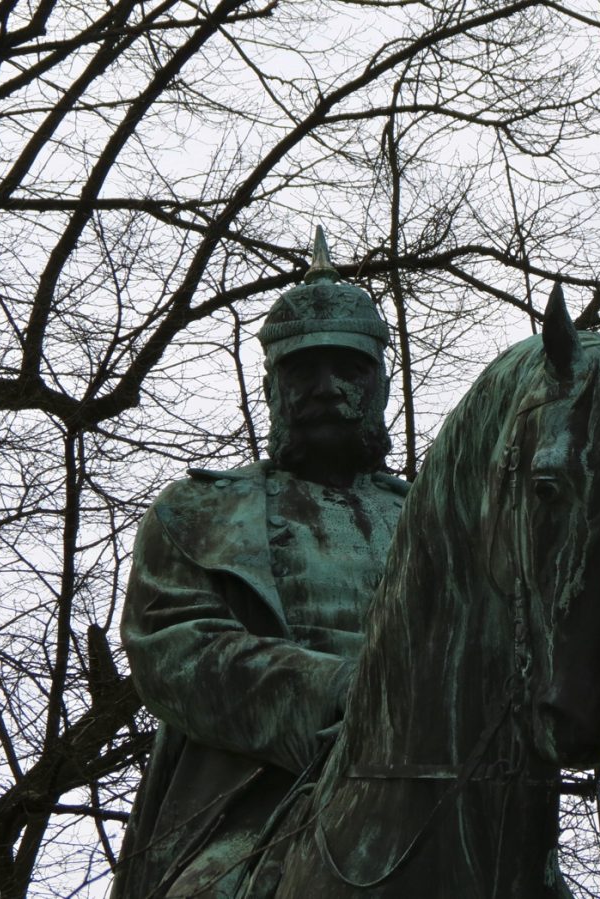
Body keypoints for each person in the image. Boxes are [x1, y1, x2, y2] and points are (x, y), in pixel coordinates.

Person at [111, 229, 407, 899]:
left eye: (347, 369)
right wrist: (338, 691)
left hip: (435, 776)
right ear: (272, 385)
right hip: (254, 801)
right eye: (303, 371)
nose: (325, 387)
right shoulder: (197, 514)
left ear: (380, 382)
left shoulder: (439, 520)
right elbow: (177, 648)